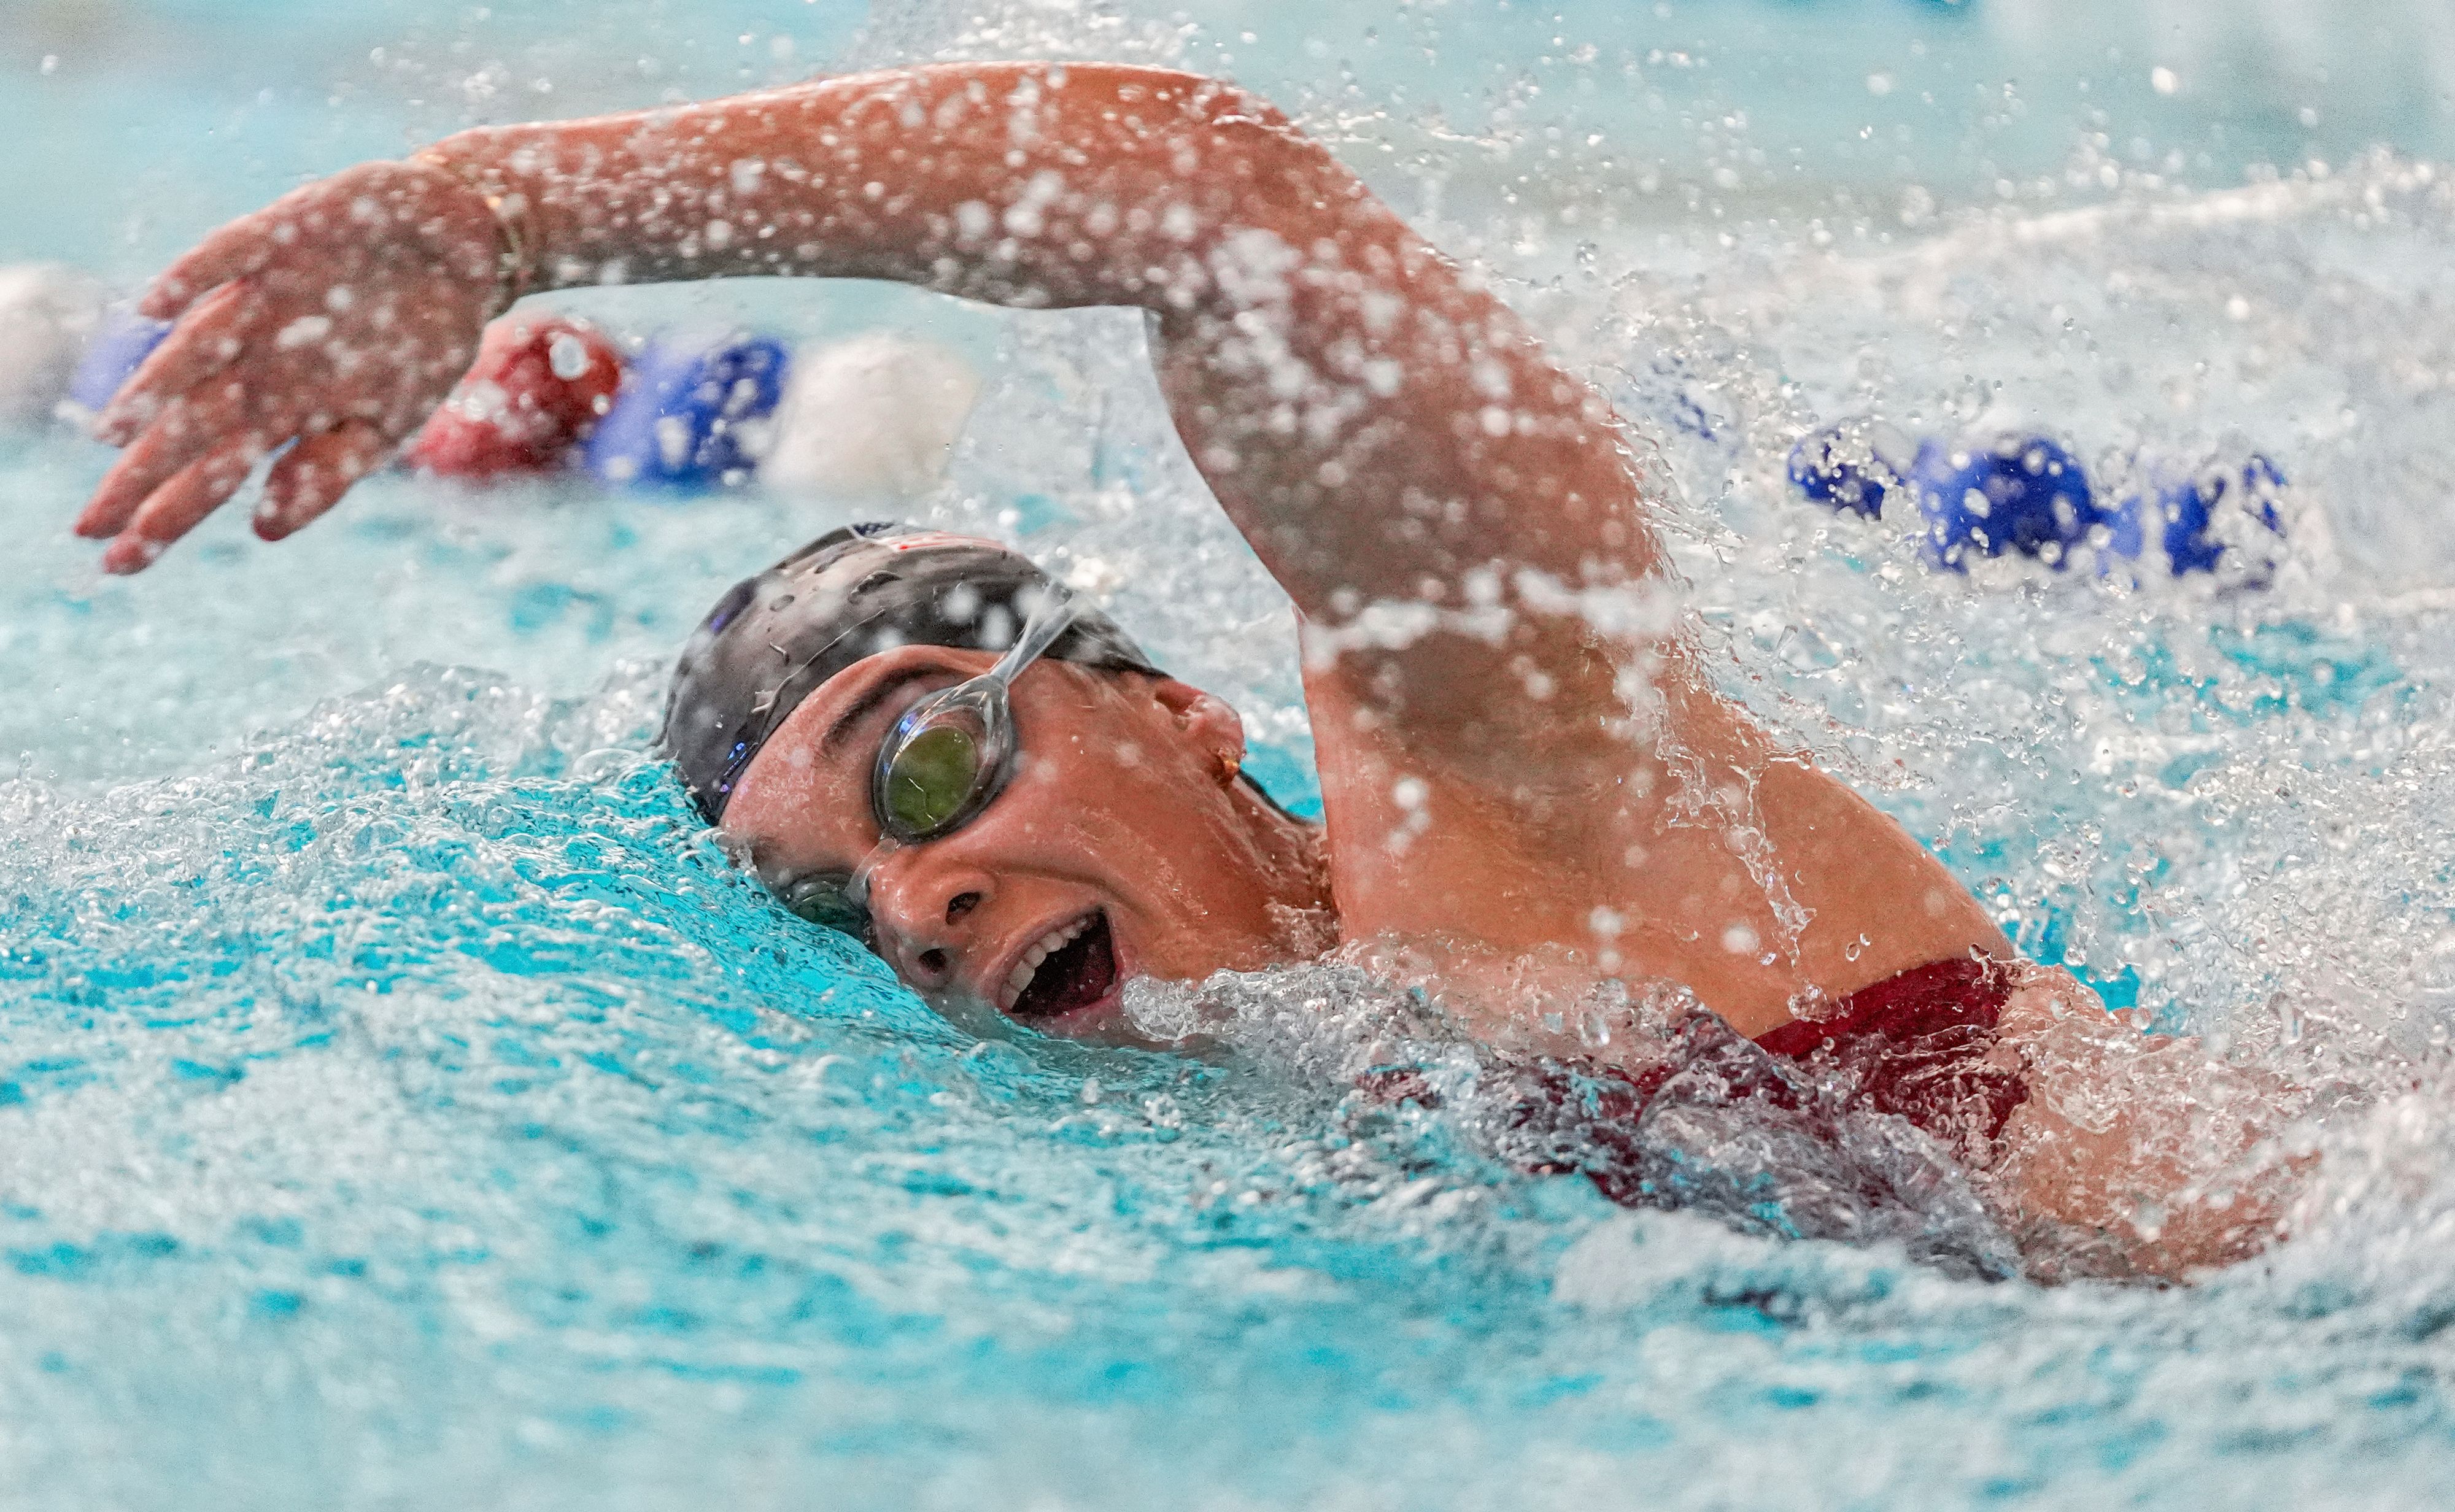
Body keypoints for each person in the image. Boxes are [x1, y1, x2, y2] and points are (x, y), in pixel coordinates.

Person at [68, 61, 2300, 1277]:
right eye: (846, 901)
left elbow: (1213, 203)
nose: (917, 900)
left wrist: (501, 222)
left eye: (926, 767)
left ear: (1170, 706)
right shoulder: (1289, 1125)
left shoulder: (1506, 781)